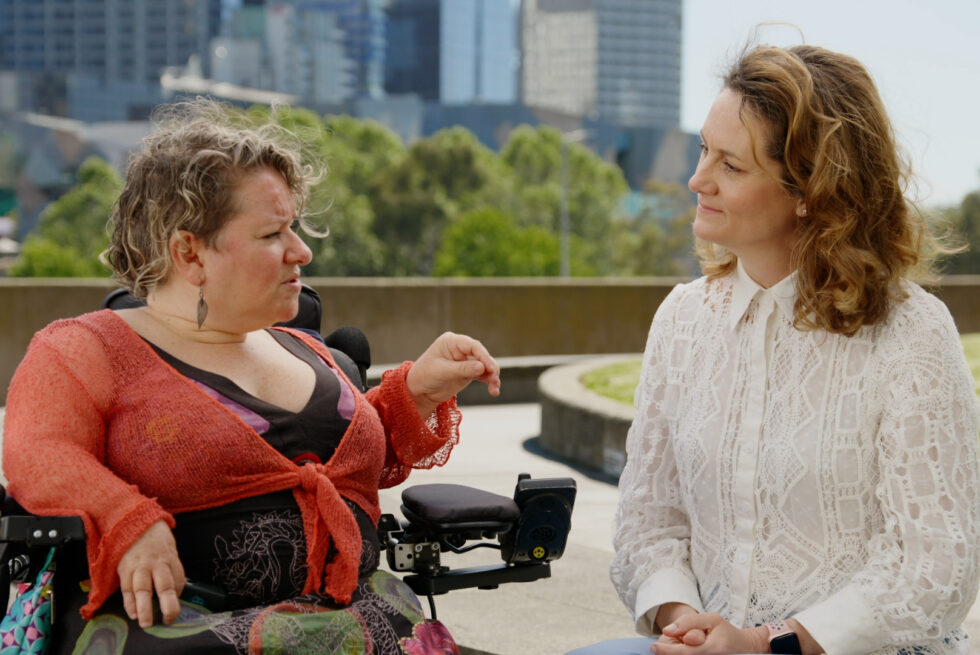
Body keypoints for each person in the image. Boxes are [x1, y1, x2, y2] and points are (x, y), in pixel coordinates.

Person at [2, 99, 501, 655]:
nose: (302, 250)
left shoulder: (307, 348)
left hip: (368, 622)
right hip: (189, 635)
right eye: (272, 235)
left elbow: (334, 467)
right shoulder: (85, 350)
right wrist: (126, 519)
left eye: (296, 228)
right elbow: (38, 454)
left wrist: (415, 393)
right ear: (188, 251)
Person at [568, 43, 980, 655]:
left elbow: (935, 566)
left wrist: (769, 644)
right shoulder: (682, 319)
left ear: (810, 189)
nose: (697, 178)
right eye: (705, 148)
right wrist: (686, 623)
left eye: (731, 166)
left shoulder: (912, 333)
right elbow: (649, 522)